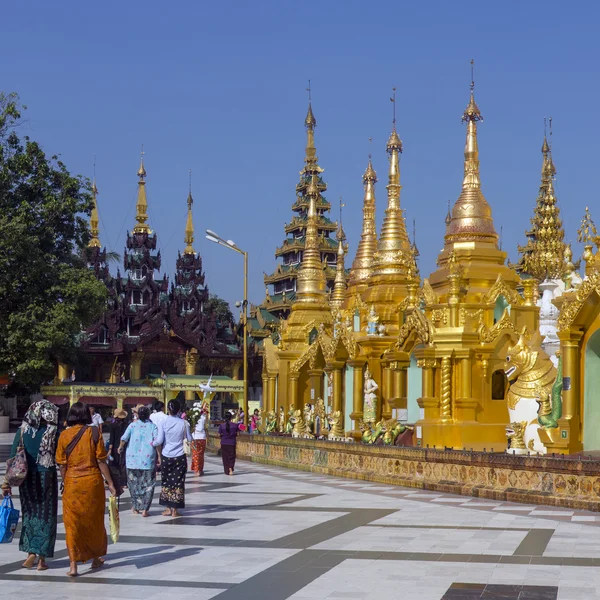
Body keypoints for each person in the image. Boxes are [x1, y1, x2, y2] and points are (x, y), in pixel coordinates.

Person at [56, 402, 116, 577]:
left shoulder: (64, 435)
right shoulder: (94, 432)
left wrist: (65, 480)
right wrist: (110, 483)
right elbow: (101, 461)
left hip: (72, 483)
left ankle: (73, 565)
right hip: (92, 482)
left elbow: (61, 463)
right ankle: (96, 558)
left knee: (72, 524)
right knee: (94, 521)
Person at [1, 400, 59, 571]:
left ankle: (30, 554)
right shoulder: (54, 432)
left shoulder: (22, 431)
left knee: (30, 515)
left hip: (26, 479)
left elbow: (13, 457)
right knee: (46, 516)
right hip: (46, 477)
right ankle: (42, 559)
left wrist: (6, 484)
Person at [152, 399, 192, 517]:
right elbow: (189, 439)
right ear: (179, 410)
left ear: (168, 409)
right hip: (179, 456)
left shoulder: (163, 422)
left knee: (166, 481)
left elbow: (159, 440)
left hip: (166, 456)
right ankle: (175, 510)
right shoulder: (184, 423)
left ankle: (168, 508)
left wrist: (152, 443)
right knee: (178, 482)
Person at [119, 406, 158, 517]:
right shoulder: (153, 427)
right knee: (148, 485)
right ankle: (145, 509)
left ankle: (136, 507)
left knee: (133, 484)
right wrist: (159, 455)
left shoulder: (132, 425)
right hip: (147, 459)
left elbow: (124, 438)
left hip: (132, 459)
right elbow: (157, 441)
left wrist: (120, 447)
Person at [107, 407, 129, 489]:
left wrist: (109, 449)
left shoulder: (112, 425)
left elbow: (111, 439)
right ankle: (124, 482)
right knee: (123, 464)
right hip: (125, 445)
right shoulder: (127, 424)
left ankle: (116, 481)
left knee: (114, 464)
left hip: (115, 446)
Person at [191, 405, 208, 476]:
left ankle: (197, 470)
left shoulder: (192, 418)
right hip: (202, 438)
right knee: (201, 455)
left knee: (195, 454)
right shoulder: (203, 417)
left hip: (195, 438)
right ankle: (200, 469)